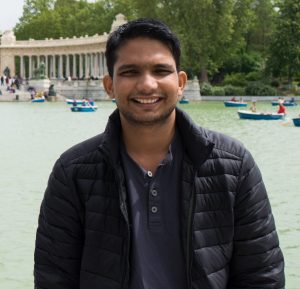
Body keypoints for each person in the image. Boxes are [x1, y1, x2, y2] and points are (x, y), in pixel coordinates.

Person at [34, 18, 285, 289]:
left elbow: (262, 277)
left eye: (160, 70)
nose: (147, 85)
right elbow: (54, 280)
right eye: (130, 72)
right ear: (109, 85)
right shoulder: (71, 172)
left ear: (180, 82)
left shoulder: (235, 165)